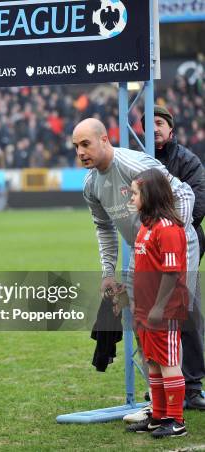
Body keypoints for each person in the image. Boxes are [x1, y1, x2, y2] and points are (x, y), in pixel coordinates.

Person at [74, 118, 200, 419]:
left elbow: (185, 195)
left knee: (168, 324)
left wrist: (167, 236)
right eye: (76, 147)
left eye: (85, 144)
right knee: (143, 329)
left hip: (174, 246)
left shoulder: (134, 164)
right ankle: (157, 406)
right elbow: (103, 229)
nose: (80, 152)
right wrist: (107, 271)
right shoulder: (91, 184)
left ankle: (177, 407)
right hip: (140, 251)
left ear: (105, 139)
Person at [143, 105, 205, 410]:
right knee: (151, 312)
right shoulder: (139, 159)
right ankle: (159, 384)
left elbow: (199, 202)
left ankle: (191, 385)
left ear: (171, 128)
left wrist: (166, 227)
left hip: (184, 240)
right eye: (147, 124)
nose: (153, 128)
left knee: (185, 309)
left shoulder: (188, 161)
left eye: (159, 122)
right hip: (148, 243)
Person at [125, 169, 189, 437]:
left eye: (135, 192)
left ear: (149, 195)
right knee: (152, 360)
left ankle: (176, 420)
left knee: (168, 362)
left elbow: (172, 273)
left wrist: (159, 307)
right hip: (145, 309)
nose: (131, 196)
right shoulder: (146, 227)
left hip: (165, 310)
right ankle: (159, 415)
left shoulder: (168, 229)